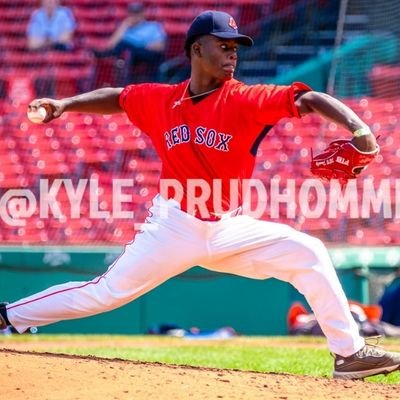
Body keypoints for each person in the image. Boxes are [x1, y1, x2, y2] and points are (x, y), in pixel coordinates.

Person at [1, 10, 399, 380]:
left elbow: (308, 99)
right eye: (223, 45)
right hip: (174, 226)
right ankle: (9, 316)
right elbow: (119, 98)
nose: (232, 55)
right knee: (104, 293)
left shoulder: (244, 98)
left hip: (229, 227)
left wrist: (359, 129)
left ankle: (349, 354)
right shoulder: (161, 100)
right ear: (196, 49)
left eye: (235, 48)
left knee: (308, 252)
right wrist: (64, 104)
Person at [94, 2, 167, 84]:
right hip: (131, 56)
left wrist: (141, 45)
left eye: (137, 13)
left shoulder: (153, 26)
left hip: (148, 54)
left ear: (142, 13)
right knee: (126, 47)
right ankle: (125, 81)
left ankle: (106, 55)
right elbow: (111, 45)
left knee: (125, 44)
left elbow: (160, 46)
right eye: (132, 13)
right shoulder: (126, 28)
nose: (135, 16)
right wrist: (124, 25)